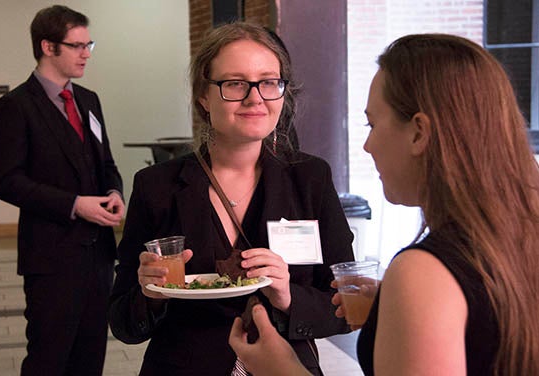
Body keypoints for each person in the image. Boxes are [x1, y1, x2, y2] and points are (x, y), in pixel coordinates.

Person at [229, 33, 539, 375]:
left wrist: (283, 369)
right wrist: (400, 311)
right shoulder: (524, 233)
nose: (367, 145)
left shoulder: (423, 272)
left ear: (419, 133)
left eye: (372, 124)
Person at [108, 22, 354, 375]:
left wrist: (288, 297)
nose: (255, 97)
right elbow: (123, 323)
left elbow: (344, 307)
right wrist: (150, 294)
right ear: (203, 97)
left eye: (269, 82)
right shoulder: (156, 186)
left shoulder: (310, 178)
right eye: (235, 84)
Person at [0, 5, 125, 375]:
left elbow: (107, 165)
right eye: (77, 45)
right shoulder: (15, 106)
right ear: (48, 47)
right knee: (49, 359)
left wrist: (115, 193)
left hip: (98, 256)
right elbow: (7, 181)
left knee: (90, 356)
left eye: (89, 44)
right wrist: (74, 205)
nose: (86, 53)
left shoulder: (88, 100)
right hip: (51, 259)